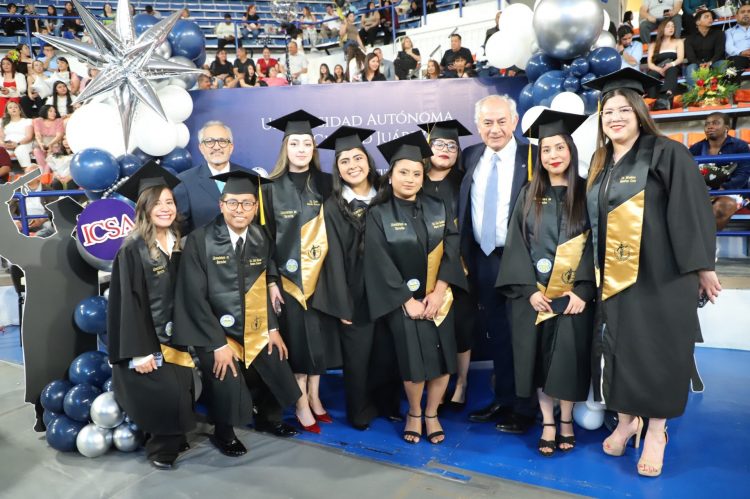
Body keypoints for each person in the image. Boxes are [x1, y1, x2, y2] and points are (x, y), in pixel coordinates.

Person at [583, 67, 720, 477]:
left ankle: (657, 431)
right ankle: (628, 421)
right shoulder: (601, 162)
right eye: (608, 112)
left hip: (662, 275)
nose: (615, 118)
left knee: (659, 351)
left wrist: (702, 267)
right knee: (620, 349)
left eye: (624, 110)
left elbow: (691, 210)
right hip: (615, 276)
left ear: (639, 113)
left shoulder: (666, 153)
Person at [174, 169, 302, 457]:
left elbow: (263, 283)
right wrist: (218, 344)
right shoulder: (200, 240)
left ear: (255, 207)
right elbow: (193, 297)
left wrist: (272, 328)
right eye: (232, 203)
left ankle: (269, 418)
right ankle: (224, 432)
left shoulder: (261, 236)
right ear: (221, 205)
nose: (239, 209)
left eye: (246, 203)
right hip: (213, 330)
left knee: (276, 356)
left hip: (253, 325)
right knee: (226, 372)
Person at [496, 110, 594, 457]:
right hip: (536, 298)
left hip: (571, 298)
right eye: (546, 150)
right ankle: (548, 421)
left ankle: (566, 420)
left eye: (559, 148)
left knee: (566, 361)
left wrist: (583, 289)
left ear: (571, 150)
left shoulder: (587, 192)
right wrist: (527, 290)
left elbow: (597, 244)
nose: (553, 156)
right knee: (536, 360)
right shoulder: (528, 193)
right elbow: (516, 243)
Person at [365, 131, 468, 444]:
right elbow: (378, 261)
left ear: (423, 177)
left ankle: (432, 413)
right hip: (404, 303)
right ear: (391, 175)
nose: (410, 179)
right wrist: (406, 300)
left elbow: (452, 248)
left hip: (439, 300)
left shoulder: (438, 206)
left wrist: (439, 292)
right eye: (403, 172)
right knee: (414, 363)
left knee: (444, 361)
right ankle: (414, 412)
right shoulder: (378, 214)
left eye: (416, 173)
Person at [107, 162, 195, 470]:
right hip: (149, 340)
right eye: (157, 203)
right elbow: (127, 304)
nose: (165, 208)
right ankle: (161, 450)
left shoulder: (178, 242)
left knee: (183, 389)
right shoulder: (133, 249)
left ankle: (175, 438)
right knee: (165, 393)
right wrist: (140, 351)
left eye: (169, 202)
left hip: (179, 336)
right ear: (144, 208)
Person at [458, 95, 537, 433]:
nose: (495, 129)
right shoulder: (470, 156)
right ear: (478, 126)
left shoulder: (533, 157)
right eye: (487, 122)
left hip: (523, 261)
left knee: (524, 336)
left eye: (502, 121)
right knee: (499, 335)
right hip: (484, 259)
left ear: (514, 122)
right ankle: (504, 400)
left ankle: (526, 408)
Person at [314, 126, 401, 429]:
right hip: (354, 293)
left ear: (368, 160)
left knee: (388, 351)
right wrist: (342, 303)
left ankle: (388, 404)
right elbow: (333, 258)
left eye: (357, 158)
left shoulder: (387, 197)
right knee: (358, 356)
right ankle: (360, 410)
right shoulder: (333, 207)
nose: (352, 165)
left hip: (389, 289)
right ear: (337, 169)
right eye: (344, 161)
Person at [264, 110, 340, 434]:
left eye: (307, 143)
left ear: (314, 147)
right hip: (287, 281)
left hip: (321, 277)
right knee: (297, 341)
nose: (301, 149)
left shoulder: (326, 183)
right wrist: (271, 281)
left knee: (318, 341)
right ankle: (300, 403)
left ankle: (315, 396)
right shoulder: (268, 187)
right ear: (285, 147)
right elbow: (265, 239)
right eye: (294, 143)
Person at [417, 119, 476, 411]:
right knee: (432, 331)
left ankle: (461, 383)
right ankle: (435, 386)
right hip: (422, 269)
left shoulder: (465, 182)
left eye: (452, 146)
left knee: (461, 330)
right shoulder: (416, 178)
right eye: (439, 143)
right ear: (428, 147)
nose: (445, 149)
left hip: (460, 267)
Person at [174, 121, 244, 234]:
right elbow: (180, 228)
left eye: (222, 141)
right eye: (209, 142)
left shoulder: (249, 177)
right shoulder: (185, 181)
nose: (216, 147)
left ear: (231, 147)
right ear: (201, 148)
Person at [689, 112, 750, 230]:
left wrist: (721, 190)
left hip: (732, 191)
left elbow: (742, 175)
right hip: (703, 191)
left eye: (715, 123)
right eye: (707, 124)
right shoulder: (696, 148)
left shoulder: (740, 146)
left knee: (721, 208)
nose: (710, 126)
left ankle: (705, 240)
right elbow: (687, 173)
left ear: (726, 127)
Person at [646, 18, 684, 110]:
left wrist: (671, 64)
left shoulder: (678, 42)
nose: (671, 28)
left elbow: (680, 58)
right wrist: (659, 69)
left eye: (673, 26)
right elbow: (650, 64)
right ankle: (651, 100)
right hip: (658, 67)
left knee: (672, 70)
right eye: (668, 26)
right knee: (651, 74)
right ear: (662, 28)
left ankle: (666, 97)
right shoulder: (653, 45)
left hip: (673, 65)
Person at [685, 7, 725, 87]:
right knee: (691, 68)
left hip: (714, 62)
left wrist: (710, 62)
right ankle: (695, 93)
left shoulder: (719, 34)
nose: (710, 18)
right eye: (706, 17)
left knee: (722, 64)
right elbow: (690, 57)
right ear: (698, 22)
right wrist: (700, 64)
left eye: (711, 17)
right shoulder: (689, 38)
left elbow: (719, 52)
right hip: (697, 64)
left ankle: (721, 92)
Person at [0, 101, 33, 169]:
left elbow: (29, 136)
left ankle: (27, 170)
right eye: (10, 107)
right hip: (8, 145)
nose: (13, 109)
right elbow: (1, 137)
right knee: (2, 151)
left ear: (20, 110)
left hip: (23, 144)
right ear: (7, 111)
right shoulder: (2, 121)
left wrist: (17, 144)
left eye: (15, 107)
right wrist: (3, 144)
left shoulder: (27, 121)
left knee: (20, 149)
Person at [32, 104, 63, 171]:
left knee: (53, 153)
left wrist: (50, 145)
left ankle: (46, 173)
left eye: (54, 111)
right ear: (44, 111)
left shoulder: (59, 120)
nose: (53, 113)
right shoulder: (37, 120)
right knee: (36, 150)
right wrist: (41, 144)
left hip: (55, 143)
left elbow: (59, 136)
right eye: (50, 111)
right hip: (42, 143)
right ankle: (44, 172)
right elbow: (37, 134)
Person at [725, 2, 750, 77]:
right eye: (742, 12)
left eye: (749, 12)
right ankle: (731, 83)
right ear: (736, 16)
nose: (746, 14)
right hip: (738, 57)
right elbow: (728, 47)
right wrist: (741, 52)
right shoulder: (729, 32)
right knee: (731, 71)